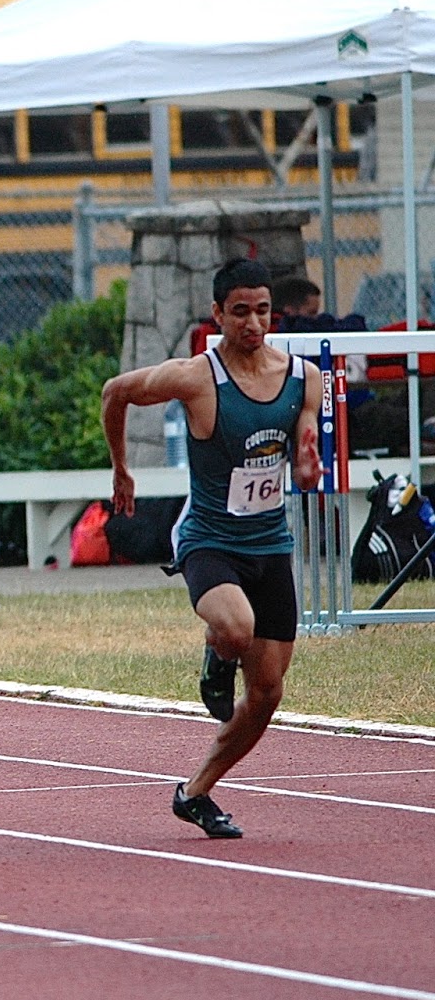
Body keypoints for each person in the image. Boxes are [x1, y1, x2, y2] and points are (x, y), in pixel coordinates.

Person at [102, 257, 322, 840]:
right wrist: (122, 470)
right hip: (208, 539)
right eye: (241, 312)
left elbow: (303, 451)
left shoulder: (304, 377)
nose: (254, 324)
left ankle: (195, 791)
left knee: (269, 693)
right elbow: (115, 392)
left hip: (269, 542)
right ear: (218, 314)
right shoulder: (196, 377)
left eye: (264, 311)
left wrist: (305, 462)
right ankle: (216, 653)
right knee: (236, 628)